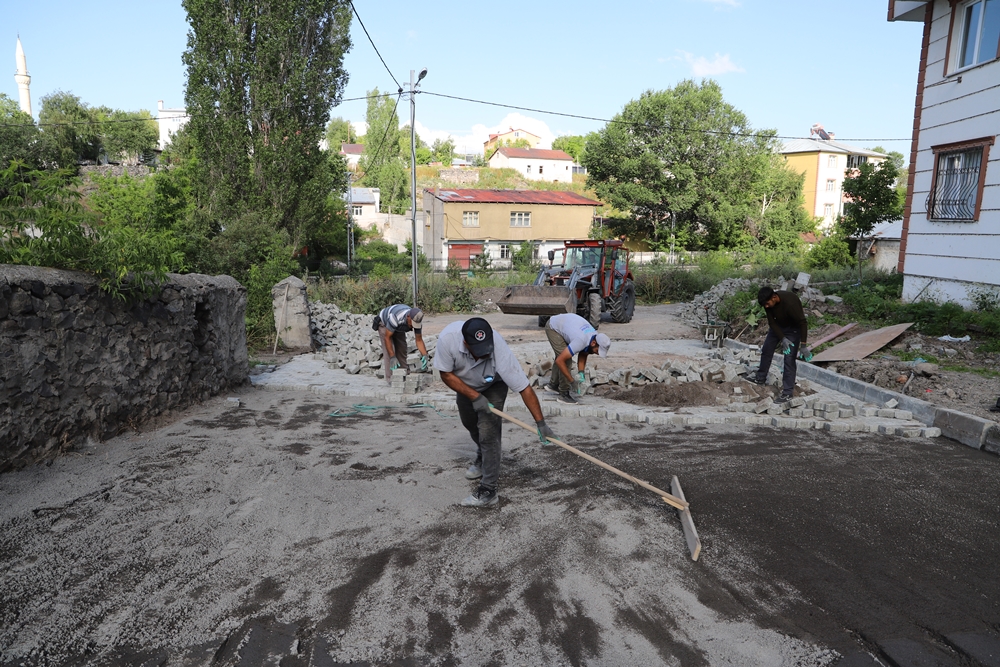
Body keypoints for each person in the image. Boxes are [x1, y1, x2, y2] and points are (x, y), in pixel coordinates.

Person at [434, 317, 557, 508]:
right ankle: (483, 457)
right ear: (466, 343)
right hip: (465, 385)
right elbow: (446, 374)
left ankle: (488, 491)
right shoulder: (448, 340)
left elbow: (524, 388)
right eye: (478, 351)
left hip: (494, 385)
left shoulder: (498, 348)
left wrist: (541, 423)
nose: (484, 354)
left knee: (488, 434)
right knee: (469, 423)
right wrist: (474, 396)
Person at [751, 286, 810, 403]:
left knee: (789, 359)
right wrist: (782, 338)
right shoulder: (768, 304)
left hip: (793, 330)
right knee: (767, 350)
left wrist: (803, 345)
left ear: (774, 297)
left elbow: (803, 323)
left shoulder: (790, 303)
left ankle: (787, 393)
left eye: (767, 304)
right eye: (764, 305)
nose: (766, 307)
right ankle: (760, 377)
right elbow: (772, 323)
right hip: (778, 326)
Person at [543, 313, 611, 405]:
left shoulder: (594, 336)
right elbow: (560, 361)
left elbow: (584, 352)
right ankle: (564, 394)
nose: (598, 353)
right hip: (553, 327)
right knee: (565, 360)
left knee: (563, 355)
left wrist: (581, 372)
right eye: (597, 350)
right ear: (594, 343)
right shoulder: (581, 340)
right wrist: (572, 381)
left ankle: (553, 385)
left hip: (566, 324)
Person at [377, 304, 429, 384]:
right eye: (412, 323)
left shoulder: (417, 320)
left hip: (399, 325)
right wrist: (392, 357)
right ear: (408, 317)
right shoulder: (395, 317)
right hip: (384, 323)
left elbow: (419, 340)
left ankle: (404, 374)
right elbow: (387, 338)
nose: (413, 326)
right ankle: (392, 379)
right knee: (389, 352)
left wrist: (425, 355)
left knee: (402, 348)